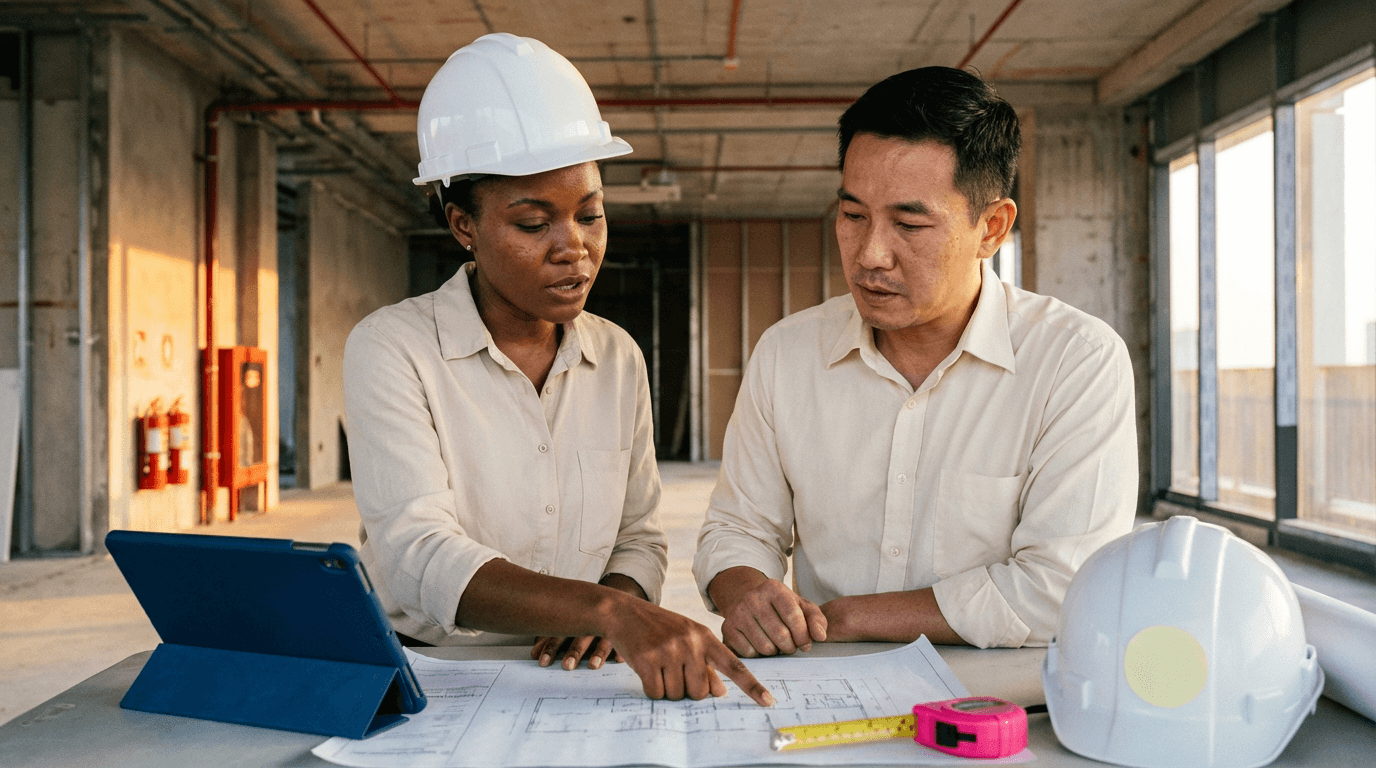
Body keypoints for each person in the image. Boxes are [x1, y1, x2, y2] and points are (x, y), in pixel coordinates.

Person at [344, 33, 771, 706]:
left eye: (590, 215)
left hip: (580, 673)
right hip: (433, 673)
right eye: (534, 222)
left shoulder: (617, 358)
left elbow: (638, 535)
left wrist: (618, 601)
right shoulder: (394, 349)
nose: (574, 248)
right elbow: (415, 554)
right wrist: (607, 613)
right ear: (463, 226)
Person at [693, 66, 1138, 655]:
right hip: (825, 690)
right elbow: (737, 530)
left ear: (993, 227)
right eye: (853, 216)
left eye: (909, 224)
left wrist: (847, 617)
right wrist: (746, 590)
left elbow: (1062, 587)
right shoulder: (787, 354)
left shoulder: (1074, 361)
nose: (871, 255)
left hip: (994, 702)